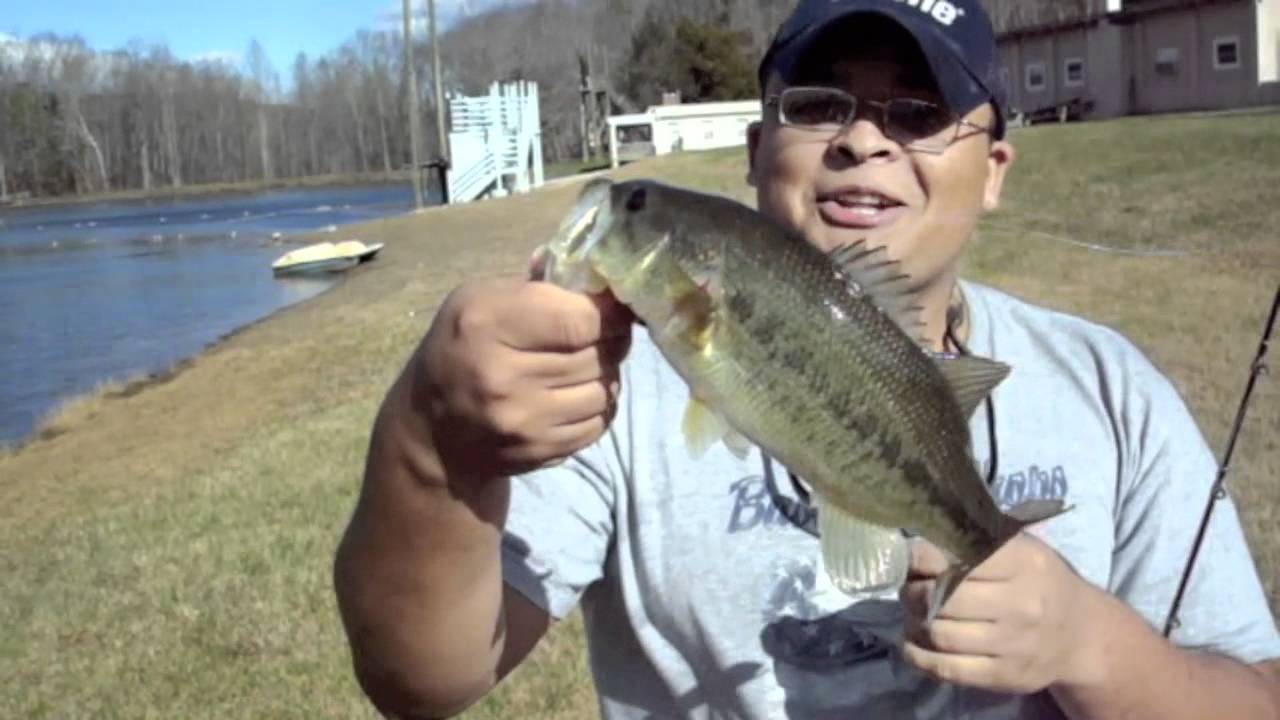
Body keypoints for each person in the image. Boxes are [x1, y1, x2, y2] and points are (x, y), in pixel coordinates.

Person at [333, 1, 1280, 717]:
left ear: (992, 172)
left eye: (918, 110)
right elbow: (421, 681)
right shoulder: (602, 393)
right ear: (756, 151)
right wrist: (432, 448)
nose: (863, 138)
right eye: (819, 104)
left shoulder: (1109, 392)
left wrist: (1095, 646)